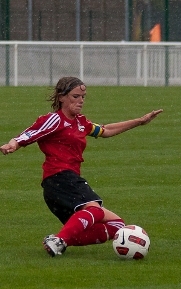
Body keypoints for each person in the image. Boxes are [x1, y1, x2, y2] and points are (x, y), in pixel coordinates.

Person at [0, 76, 163, 257]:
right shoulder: (55, 119)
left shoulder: (80, 122)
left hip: (66, 183)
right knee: (94, 209)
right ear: (62, 97)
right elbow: (30, 133)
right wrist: (13, 144)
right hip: (60, 179)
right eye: (75, 96)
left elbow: (105, 130)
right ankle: (59, 240)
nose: (80, 101)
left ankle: (59, 240)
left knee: (116, 225)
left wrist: (140, 121)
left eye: (83, 97)